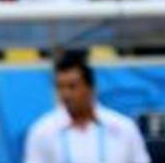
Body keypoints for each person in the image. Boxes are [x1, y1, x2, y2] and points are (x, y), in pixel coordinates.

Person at [21, 53, 150, 163]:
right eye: (60, 87)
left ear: (90, 88)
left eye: (72, 87)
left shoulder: (123, 127)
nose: (66, 94)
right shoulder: (43, 131)